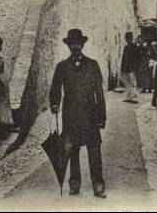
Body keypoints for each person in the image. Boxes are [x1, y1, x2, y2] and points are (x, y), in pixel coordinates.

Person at [50, 28, 106, 198]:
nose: (75, 47)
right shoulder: (62, 67)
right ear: (69, 46)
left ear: (82, 45)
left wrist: (102, 117)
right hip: (71, 116)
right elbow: (55, 88)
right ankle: (74, 183)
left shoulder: (93, 65)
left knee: (94, 150)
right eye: (72, 44)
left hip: (90, 115)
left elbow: (100, 94)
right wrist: (54, 103)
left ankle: (98, 184)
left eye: (78, 44)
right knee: (72, 151)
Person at [120, 31, 140, 103]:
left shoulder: (135, 47)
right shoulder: (126, 47)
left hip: (131, 67)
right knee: (127, 83)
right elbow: (124, 57)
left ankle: (133, 97)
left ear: (131, 38)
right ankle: (129, 97)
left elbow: (137, 58)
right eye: (127, 38)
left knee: (132, 82)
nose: (128, 39)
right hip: (126, 67)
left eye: (129, 38)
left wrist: (136, 67)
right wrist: (122, 67)